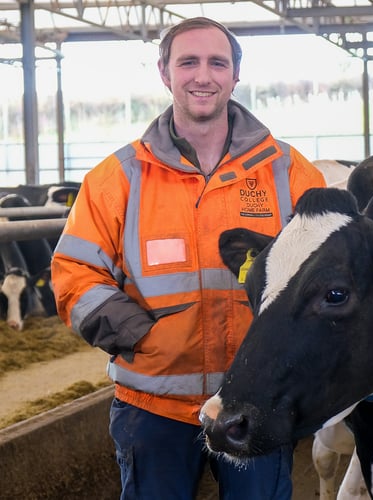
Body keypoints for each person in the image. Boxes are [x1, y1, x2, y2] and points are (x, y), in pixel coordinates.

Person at [50, 16, 326, 499]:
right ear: (164, 73)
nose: (203, 76)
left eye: (217, 63)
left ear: (235, 76)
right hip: (153, 405)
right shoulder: (118, 178)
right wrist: (138, 335)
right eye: (188, 62)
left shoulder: (289, 172)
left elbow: (325, 275)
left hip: (256, 401)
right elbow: (74, 272)